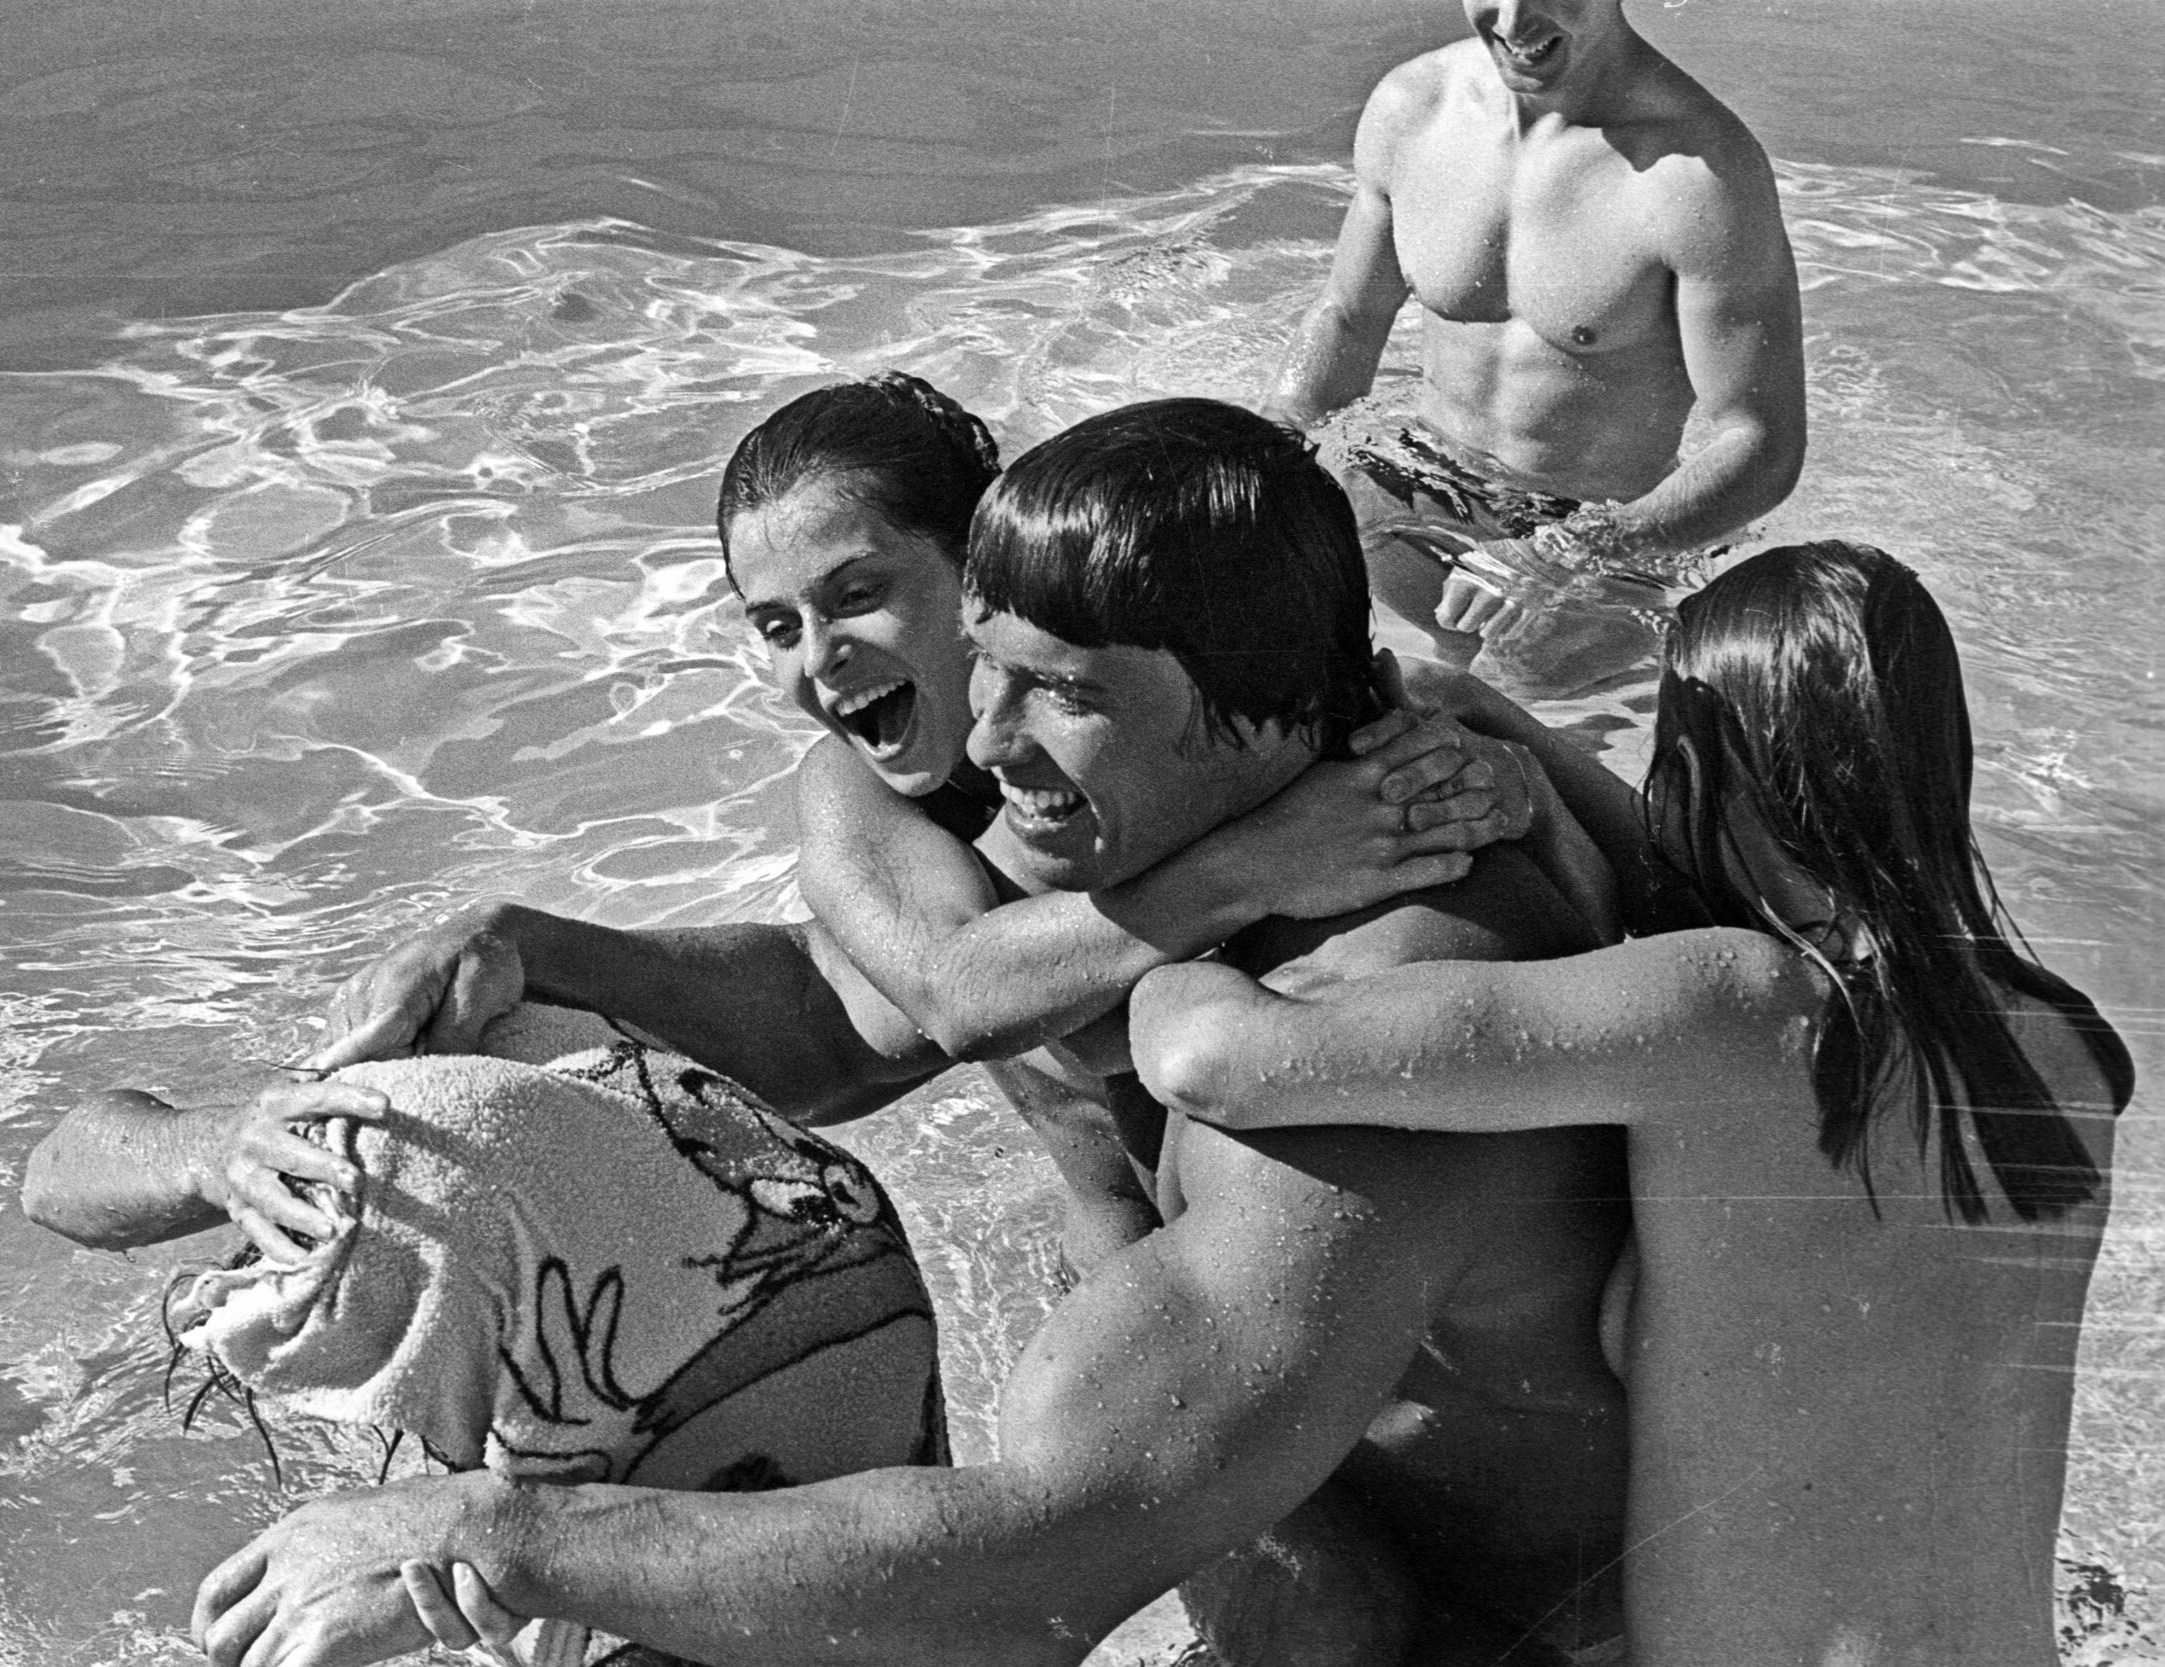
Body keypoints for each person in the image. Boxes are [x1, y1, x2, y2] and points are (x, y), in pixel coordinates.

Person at [185, 399, 1633, 1667]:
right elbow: (876, 1008)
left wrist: (501, 1535)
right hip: (1237, 1368)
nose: (995, 740)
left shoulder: (1382, 982)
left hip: (1506, 1564)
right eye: (772, 625)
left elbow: (1042, 1566)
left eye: (1059, 684)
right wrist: (531, 950)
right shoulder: (989, 807)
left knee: (1304, 1612)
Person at [16, 375, 1546, 1273]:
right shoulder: (882, 819)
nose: (814, 663)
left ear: (992, 557)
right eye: (770, 624)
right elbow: (933, 995)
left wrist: (1526, 754)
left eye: (860, 593)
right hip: (1165, 1320)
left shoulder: (1230, 710)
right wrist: (236, 1138)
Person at [1129, 541, 2135, 1667]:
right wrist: (1484, 715)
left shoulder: (1733, 1012)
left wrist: (1191, 926)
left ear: (1695, 774)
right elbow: (1725, 890)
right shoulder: (2072, 1050)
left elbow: (1213, 1058)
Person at [1269, 0, 1806, 697]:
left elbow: (1762, 443)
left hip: (1595, 550)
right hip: (1412, 491)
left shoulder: (1700, 172)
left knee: (1506, 746)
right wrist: (1260, 467)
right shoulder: (1413, 107)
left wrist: (1567, 553)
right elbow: (1347, 318)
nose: (1517, 19)